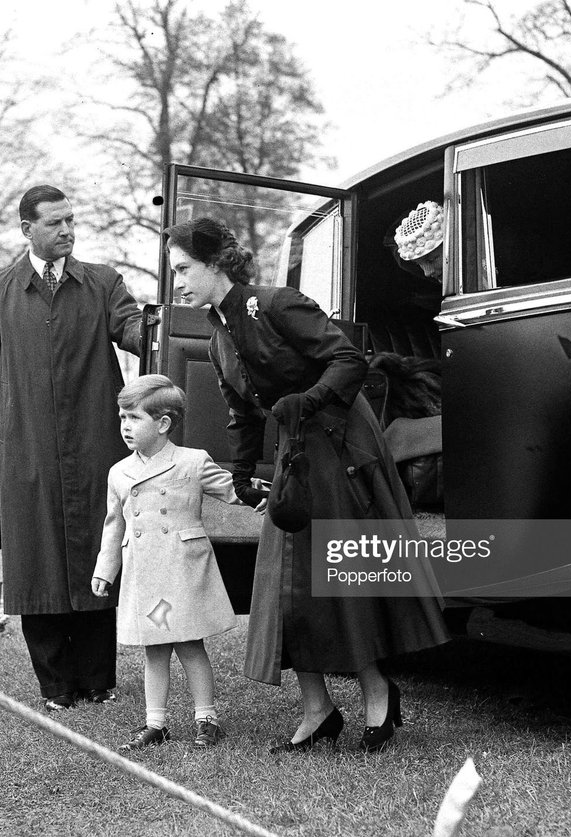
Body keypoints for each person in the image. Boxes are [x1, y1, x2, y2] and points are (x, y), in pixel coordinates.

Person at [163, 217, 450, 753]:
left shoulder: (277, 303)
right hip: (295, 456)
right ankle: (317, 708)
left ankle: (377, 695)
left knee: (343, 576)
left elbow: (348, 360)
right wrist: (245, 473)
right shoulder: (219, 329)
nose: (176, 280)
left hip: (341, 444)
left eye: (183, 268)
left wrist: (309, 401)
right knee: (288, 586)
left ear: (214, 264)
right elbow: (239, 411)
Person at [0, 184, 144, 711]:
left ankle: (98, 680)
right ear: (27, 230)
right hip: (27, 450)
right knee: (37, 561)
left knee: (99, 551)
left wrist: (163, 325)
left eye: (71, 220)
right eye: (55, 223)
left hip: (95, 445)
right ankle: (55, 686)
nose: (67, 230)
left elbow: (134, 329)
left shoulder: (102, 283)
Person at [91, 374, 249, 751]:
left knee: (190, 644)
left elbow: (234, 491)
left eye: (134, 418)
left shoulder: (192, 462)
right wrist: (104, 569)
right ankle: (155, 723)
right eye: (122, 417)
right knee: (154, 646)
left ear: (163, 424)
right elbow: (115, 525)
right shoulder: (119, 471)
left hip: (182, 568)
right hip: (145, 572)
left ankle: (206, 718)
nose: (125, 427)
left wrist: (277, 495)